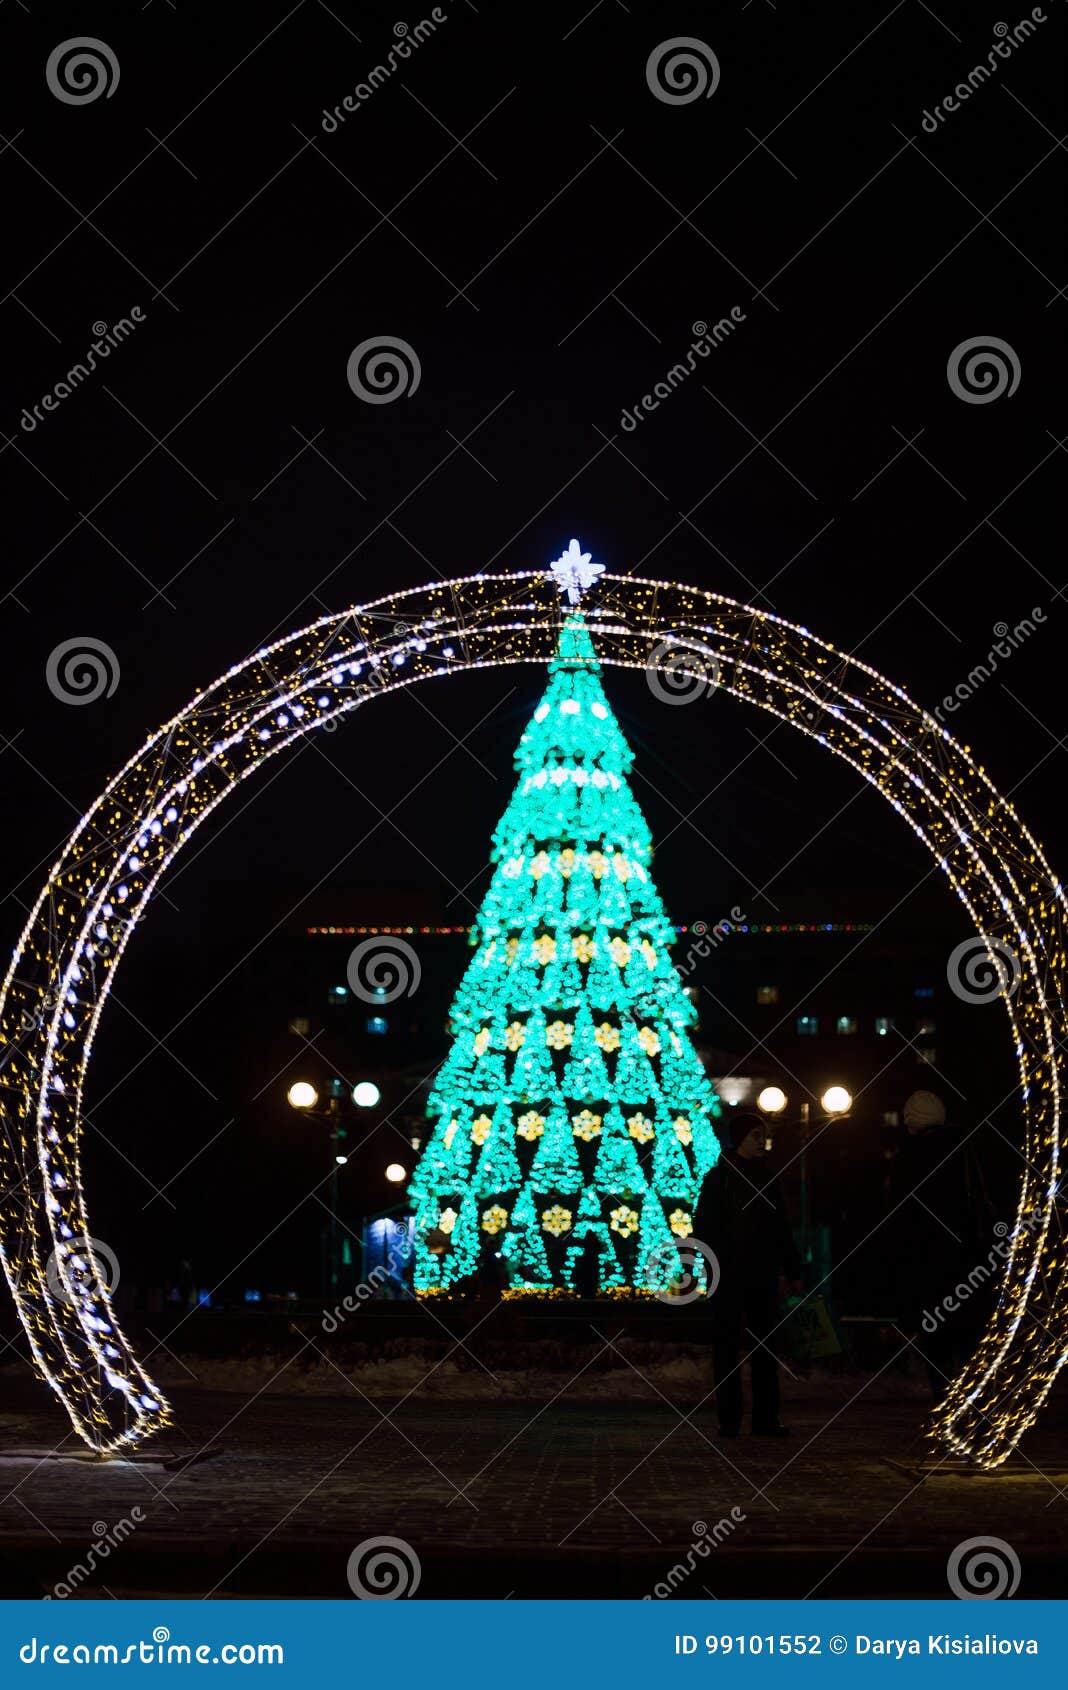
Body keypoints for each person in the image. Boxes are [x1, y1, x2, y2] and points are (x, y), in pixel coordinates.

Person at [693, 1110, 802, 1438]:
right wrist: (719, 1262)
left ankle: (765, 1418)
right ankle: (730, 1419)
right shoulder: (719, 1179)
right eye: (756, 1136)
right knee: (726, 1348)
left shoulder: (766, 1178)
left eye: (763, 1135)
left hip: (760, 1274)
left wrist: (791, 1266)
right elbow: (704, 1227)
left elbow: (780, 1226)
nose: (762, 1142)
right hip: (729, 1275)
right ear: (740, 1138)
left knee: (765, 1347)